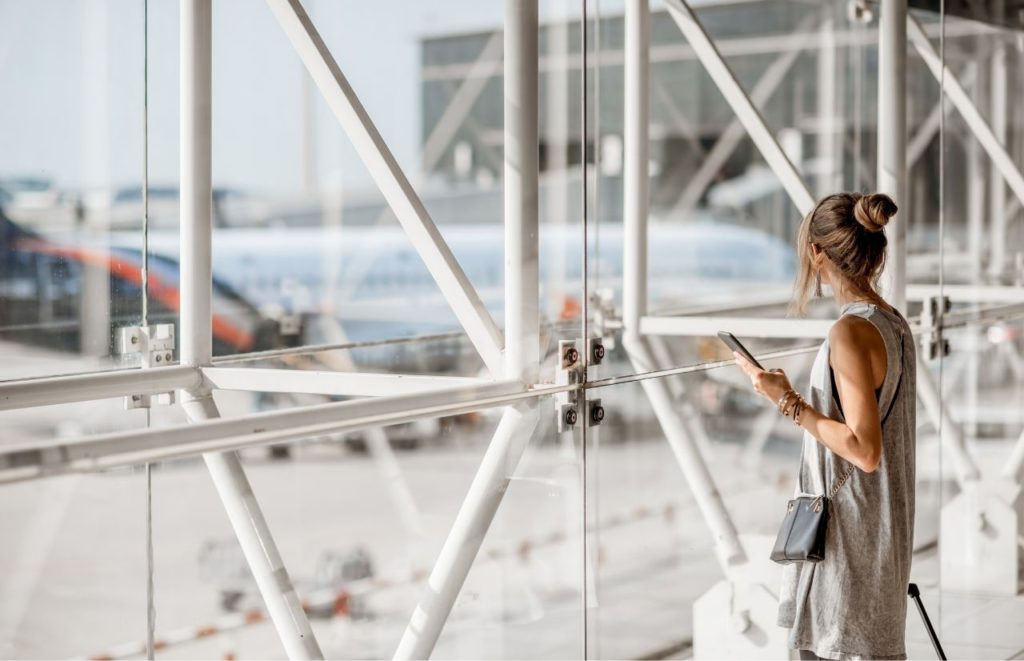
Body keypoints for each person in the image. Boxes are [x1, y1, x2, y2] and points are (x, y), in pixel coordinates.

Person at [732, 192, 917, 660]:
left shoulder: (850, 331)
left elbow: (863, 448)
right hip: (878, 529)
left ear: (817, 253)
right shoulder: (893, 324)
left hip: (847, 539)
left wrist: (787, 401)